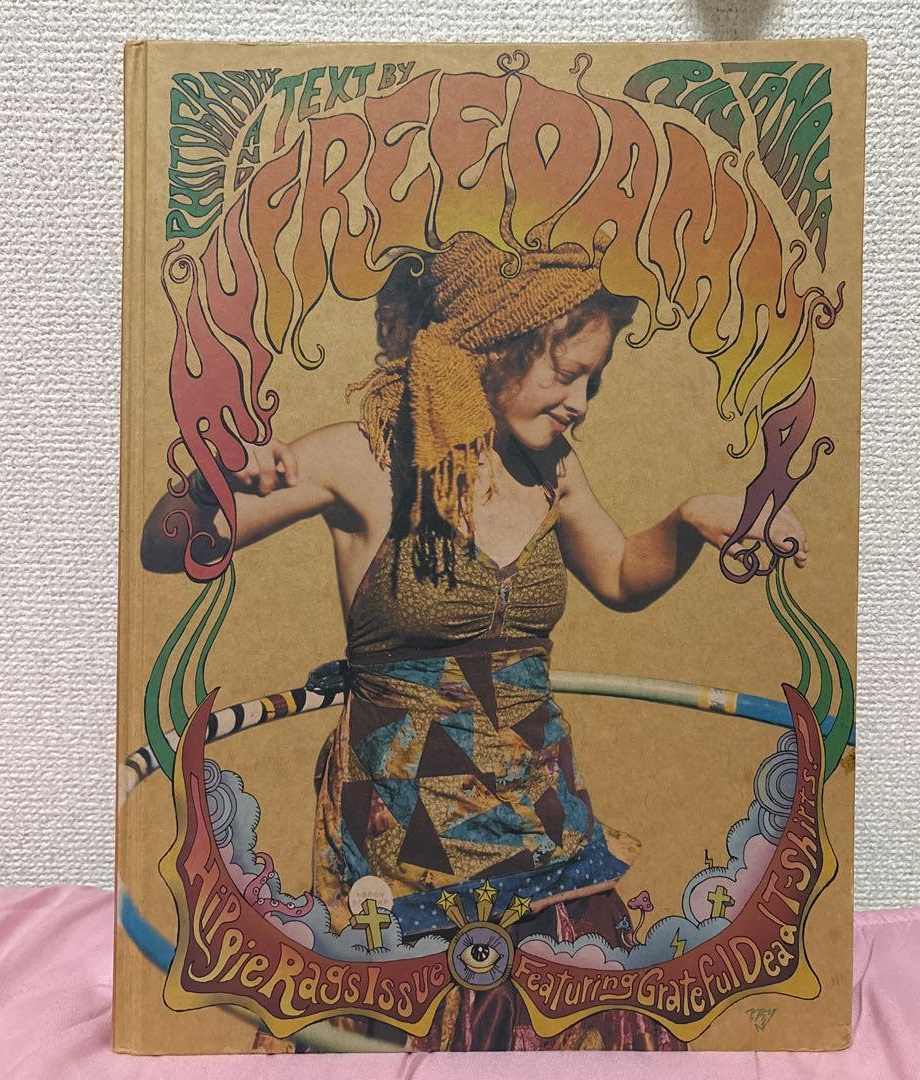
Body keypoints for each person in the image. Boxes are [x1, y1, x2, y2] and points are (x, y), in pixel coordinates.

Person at [140, 231, 808, 1051]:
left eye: (594, 381)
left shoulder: (552, 469)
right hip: (409, 843)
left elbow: (622, 575)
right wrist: (211, 479)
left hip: (550, 830)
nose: (580, 403)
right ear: (494, 347)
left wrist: (693, 518)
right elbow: (173, 546)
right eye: (566, 374)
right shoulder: (363, 457)